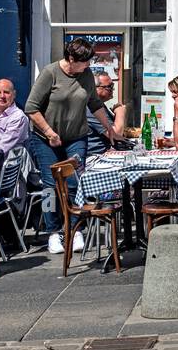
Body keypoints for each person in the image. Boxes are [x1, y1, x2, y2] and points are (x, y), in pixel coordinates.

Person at [24, 38, 118, 255]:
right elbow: (31, 107)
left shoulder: (85, 75)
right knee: (50, 185)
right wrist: (49, 132)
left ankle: (75, 229)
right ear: (71, 58)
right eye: (84, 62)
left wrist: (108, 127)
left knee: (75, 181)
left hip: (76, 136)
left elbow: (94, 102)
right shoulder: (50, 73)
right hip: (46, 139)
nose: (88, 66)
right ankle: (53, 232)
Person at [0, 78, 30, 165]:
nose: (2, 96)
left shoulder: (18, 117)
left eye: (6, 92)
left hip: (8, 165)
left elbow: (3, 148)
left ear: (14, 94)